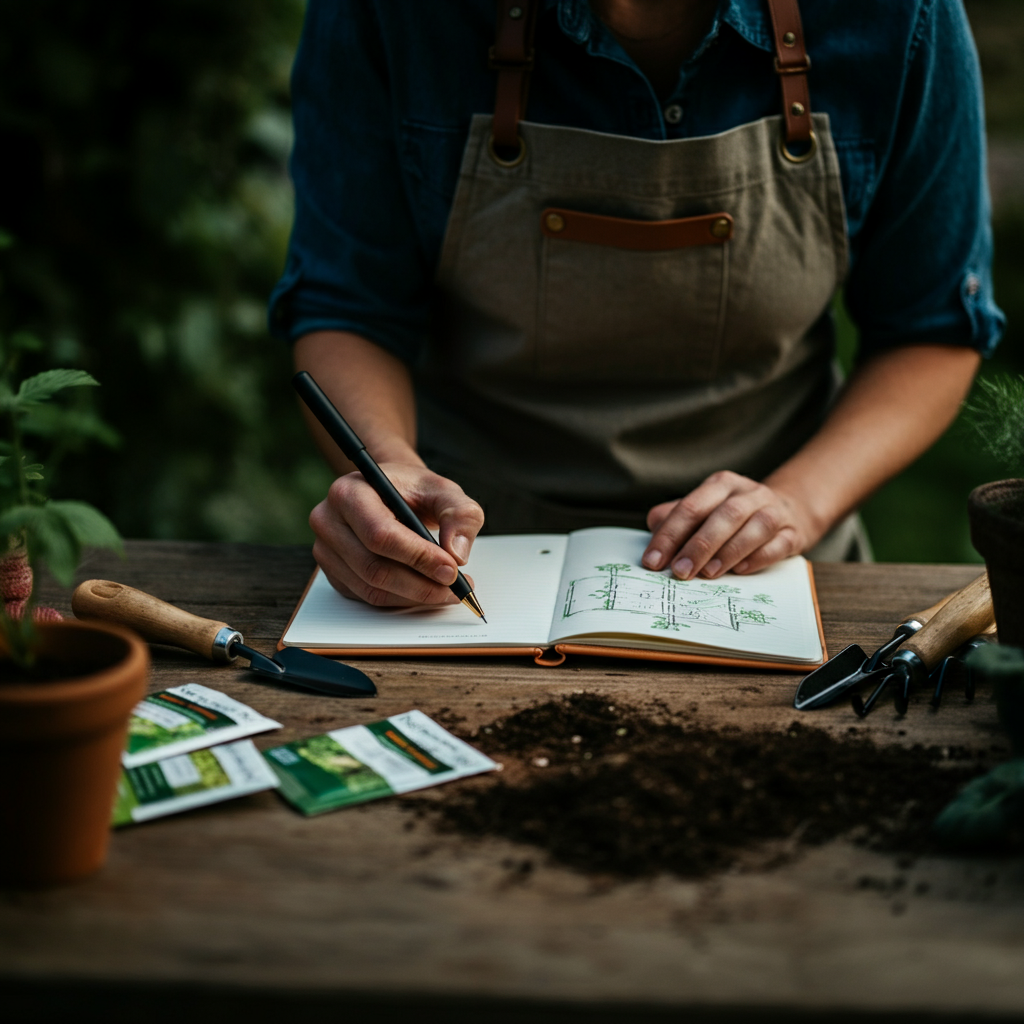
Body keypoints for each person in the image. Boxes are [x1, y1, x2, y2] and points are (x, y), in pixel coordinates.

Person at [270, 0, 1004, 609]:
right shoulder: (394, 17)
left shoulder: (901, 17)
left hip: (771, 570)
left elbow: (931, 328)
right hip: (465, 557)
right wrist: (391, 473)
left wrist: (799, 503)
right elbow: (349, 306)